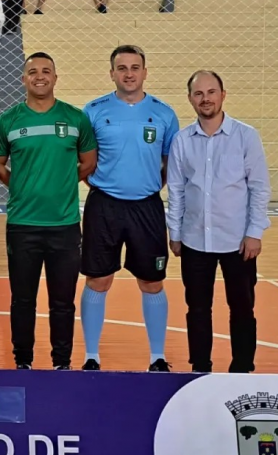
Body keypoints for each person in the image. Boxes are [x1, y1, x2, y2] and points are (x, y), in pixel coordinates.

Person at [0, 52, 97, 370]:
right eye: (33, 71)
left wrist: (62, 183)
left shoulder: (76, 118)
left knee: (62, 302)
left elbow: (88, 162)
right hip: (22, 225)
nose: (40, 76)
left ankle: (61, 362)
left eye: (46, 71)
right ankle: (22, 360)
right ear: (23, 79)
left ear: (55, 77)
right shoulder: (8, 121)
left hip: (64, 225)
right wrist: (21, 186)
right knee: (22, 299)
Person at [81, 44, 180, 372]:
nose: (128, 73)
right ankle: (91, 356)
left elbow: (169, 165)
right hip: (104, 205)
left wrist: (145, 184)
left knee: (152, 281)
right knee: (98, 279)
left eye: (135, 67)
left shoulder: (164, 113)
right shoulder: (93, 111)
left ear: (145, 72)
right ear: (112, 73)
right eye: (121, 68)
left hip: (147, 207)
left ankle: (157, 357)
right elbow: (83, 160)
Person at [167, 70, 271, 373]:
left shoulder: (246, 136)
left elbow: (259, 187)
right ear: (190, 99)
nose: (205, 99)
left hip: (238, 241)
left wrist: (255, 232)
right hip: (194, 239)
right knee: (197, 309)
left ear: (223, 95)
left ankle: (242, 368)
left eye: (211, 92)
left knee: (242, 308)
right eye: (198, 94)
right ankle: (200, 367)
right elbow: (175, 189)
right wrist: (175, 232)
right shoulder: (182, 141)